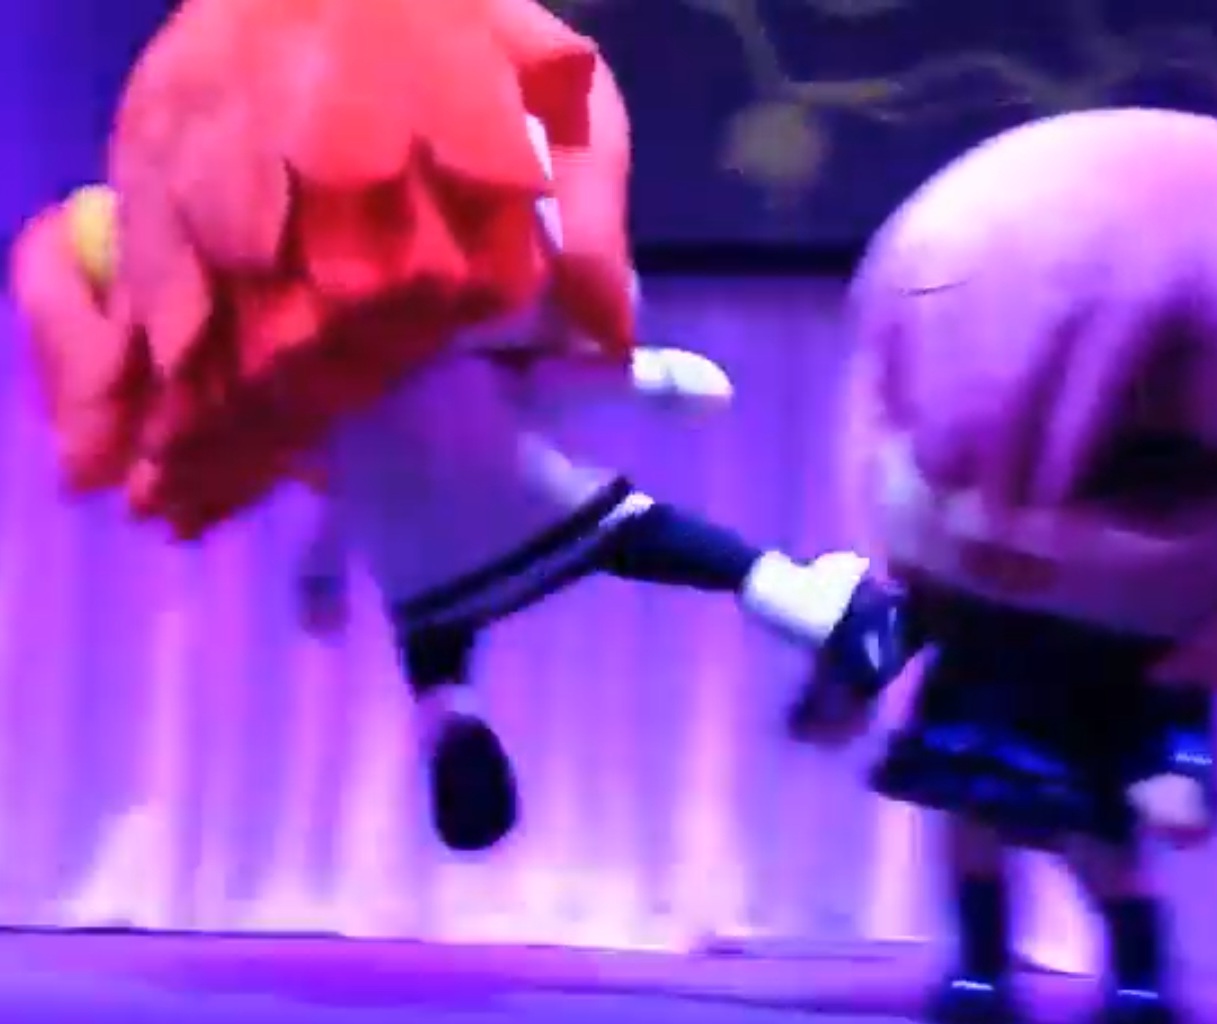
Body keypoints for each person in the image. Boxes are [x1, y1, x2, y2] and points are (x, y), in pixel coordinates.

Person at [9, 0, 921, 855]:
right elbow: (551, 373)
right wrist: (649, 377)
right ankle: (815, 609)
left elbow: (328, 476)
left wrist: (323, 569)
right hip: (509, 490)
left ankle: (451, 722)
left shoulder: (293, 374)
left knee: (437, 642)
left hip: (409, 559)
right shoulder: (437, 314)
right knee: (649, 537)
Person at [789, 108, 1217, 1024]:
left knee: (1102, 850)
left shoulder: (1156, 624)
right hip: (974, 705)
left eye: (1144, 479)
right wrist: (844, 684)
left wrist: (1181, 767)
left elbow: (1178, 697)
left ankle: (1137, 976)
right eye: (953, 454)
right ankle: (981, 963)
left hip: (1094, 723)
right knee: (968, 835)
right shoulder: (954, 589)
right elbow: (898, 623)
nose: (1021, 512)